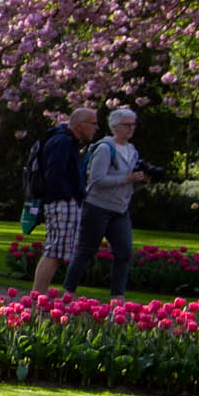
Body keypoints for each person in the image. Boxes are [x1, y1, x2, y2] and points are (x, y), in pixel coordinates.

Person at [68, 106, 150, 298]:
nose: (131, 128)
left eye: (133, 125)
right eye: (127, 125)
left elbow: (128, 185)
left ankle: (117, 299)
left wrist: (140, 181)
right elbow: (96, 180)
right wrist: (128, 178)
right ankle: (68, 292)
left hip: (120, 210)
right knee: (86, 251)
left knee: (124, 252)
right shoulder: (105, 148)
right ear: (115, 127)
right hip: (98, 207)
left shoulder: (132, 151)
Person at [29, 105, 101, 294]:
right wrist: (70, 196)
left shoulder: (63, 140)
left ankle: (37, 298)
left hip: (62, 201)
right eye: (93, 123)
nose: (96, 128)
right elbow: (55, 174)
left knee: (55, 252)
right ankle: (37, 299)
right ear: (79, 125)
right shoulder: (63, 142)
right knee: (54, 253)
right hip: (62, 202)